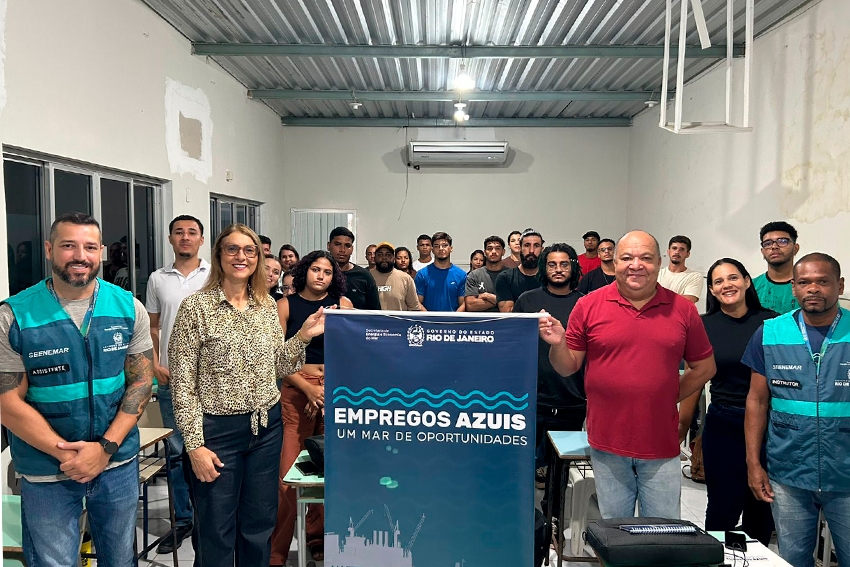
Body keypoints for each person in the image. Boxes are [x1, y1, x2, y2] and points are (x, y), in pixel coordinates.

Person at [0, 212, 154, 567]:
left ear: (101, 251)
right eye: (69, 246)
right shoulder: (15, 316)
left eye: (89, 247)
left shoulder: (128, 307)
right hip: (46, 470)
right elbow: (7, 403)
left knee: (120, 560)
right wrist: (71, 457)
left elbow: (141, 382)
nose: (80, 256)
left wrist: (104, 449)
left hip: (116, 463)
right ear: (49, 249)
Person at [168, 224, 326, 567]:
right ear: (219, 256)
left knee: (258, 526)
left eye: (249, 250)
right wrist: (194, 445)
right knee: (216, 530)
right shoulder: (196, 308)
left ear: (257, 258)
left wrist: (303, 336)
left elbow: (279, 365)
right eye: (233, 249)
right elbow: (182, 384)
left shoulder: (266, 305)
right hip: (217, 433)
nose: (241, 257)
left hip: (266, 430)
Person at [540, 230, 716, 519]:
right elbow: (566, 366)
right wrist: (558, 344)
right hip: (607, 443)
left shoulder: (683, 309)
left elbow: (705, 367)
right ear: (614, 263)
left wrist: (665, 395)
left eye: (645, 258)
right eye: (627, 258)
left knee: (661, 532)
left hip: (660, 443)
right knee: (616, 531)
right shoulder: (588, 305)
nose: (636, 265)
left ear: (659, 262)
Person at [742, 253, 850, 567]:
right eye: (804, 282)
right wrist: (753, 464)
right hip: (789, 472)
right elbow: (757, 401)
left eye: (823, 281)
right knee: (792, 560)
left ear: (840, 285)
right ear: (794, 287)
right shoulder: (770, 332)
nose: (813, 289)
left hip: (846, 474)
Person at [677, 258, 776, 545]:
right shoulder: (703, 325)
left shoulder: (772, 322)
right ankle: (718, 558)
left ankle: (756, 560)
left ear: (747, 281)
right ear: (711, 289)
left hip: (768, 425)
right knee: (722, 508)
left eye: (733, 278)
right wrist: (681, 429)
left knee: (761, 508)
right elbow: (694, 382)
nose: (726, 285)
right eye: (718, 281)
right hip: (724, 423)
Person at [271, 250, 352, 564]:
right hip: (296, 392)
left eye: (328, 272)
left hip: (333, 393)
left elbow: (353, 353)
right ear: (304, 271)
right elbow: (276, 356)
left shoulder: (343, 305)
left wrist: (326, 393)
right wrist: (308, 389)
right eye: (316, 269)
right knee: (288, 479)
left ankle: (317, 540)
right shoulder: (285, 305)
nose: (321, 276)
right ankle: (276, 553)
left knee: (326, 475)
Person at [146, 214, 210, 554]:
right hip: (173, 379)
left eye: (192, 232)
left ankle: (210, 516)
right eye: (179, 232)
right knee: (176, 453)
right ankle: (184, 519)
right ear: (170, 238)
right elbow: (152, 326)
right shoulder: (158, 279)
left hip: (212, 379)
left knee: (212, 448)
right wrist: (155, 364)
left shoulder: (215, 275)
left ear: (201, 239)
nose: (185, 237)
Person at [513, 244, 586, 495]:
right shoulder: (527, 300)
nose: (558, 269)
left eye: (564, 264)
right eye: (552, 264)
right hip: (531, 399)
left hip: (571, 399)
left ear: (573, 268)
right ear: (544, 268)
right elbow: (514, 345)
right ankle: (523, 513)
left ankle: (553, 514)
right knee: (522, 466)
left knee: (560, 474)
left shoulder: (585, 304)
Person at [327, 227, 380, 310]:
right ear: (329, 246)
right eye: (337, 244)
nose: (342, 250)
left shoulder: (364, 276)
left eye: (347, 246)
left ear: (352, 249)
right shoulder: (321, 276)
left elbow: (375, 312)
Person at [753, 221, 800, 314]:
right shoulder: (751, 288)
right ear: (762, 251)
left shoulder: (809, 285)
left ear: (795, 248)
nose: (774, 246)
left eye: (782, 241)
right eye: (767, 243)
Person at [414, 232, 467, 312]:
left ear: (451, 248)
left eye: (445, 245)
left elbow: (463, 304)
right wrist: (430, 318)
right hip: (428, 319)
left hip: (453, 319)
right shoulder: (422, 274)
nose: (441, 248)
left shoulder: (461, 275)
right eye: (436, 246)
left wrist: (453, 318)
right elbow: (417, 302)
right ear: (432, 250)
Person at [496, 229, 544, 312]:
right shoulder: (505, 278)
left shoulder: (549, 278)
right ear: (520, 248)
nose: (531, 251)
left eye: (536, 245)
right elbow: (508, 314)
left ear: (542, 249)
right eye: (527, 245)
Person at [370, 242, 423, 311]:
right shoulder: (367, 277)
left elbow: (414, 308)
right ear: (375, 258)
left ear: (394, 258)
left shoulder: (406, 278)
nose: (384, 258)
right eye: (380, 255)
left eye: (388, 255)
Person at [465, 236, 509, 313]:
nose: (494, 251)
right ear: (485, 252)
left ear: (503, 252)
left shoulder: (511, 275)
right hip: (480, 320)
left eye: (497, 248)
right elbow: (470, 305)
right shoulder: (474, 275)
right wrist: (501, 302)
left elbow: (513, 306)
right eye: (490, 248)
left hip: (506, 320)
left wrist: (487, 296)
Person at [657, 235, 703, 303]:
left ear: (688, 254)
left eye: (682, 249)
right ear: (668, 251)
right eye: (674, 248)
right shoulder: (657, 274)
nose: (677, 252)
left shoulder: (694, 277)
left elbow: (686, 303)